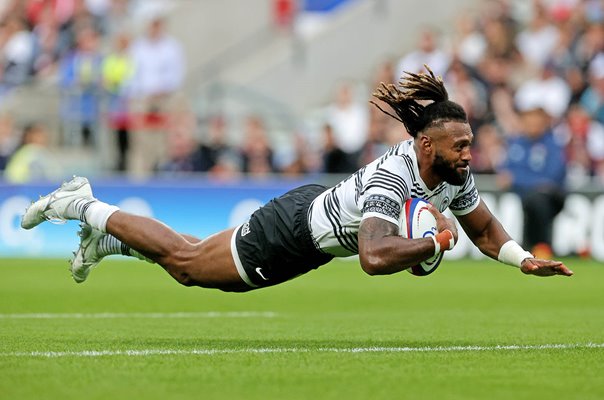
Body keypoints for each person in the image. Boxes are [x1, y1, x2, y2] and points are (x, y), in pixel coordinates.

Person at [21, 66, 572, 291]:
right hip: (294, 231)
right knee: (188, 268)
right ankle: (83, 205)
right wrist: (432, 241)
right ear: (427, 144)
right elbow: (375, 258)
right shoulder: (393, 179)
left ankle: (112, 238)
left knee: (189, 254)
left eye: (471, 144)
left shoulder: (450, 173)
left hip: (312, 227)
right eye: (462, 145)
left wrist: (523, 259)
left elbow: (484, 227)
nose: (471, 153)